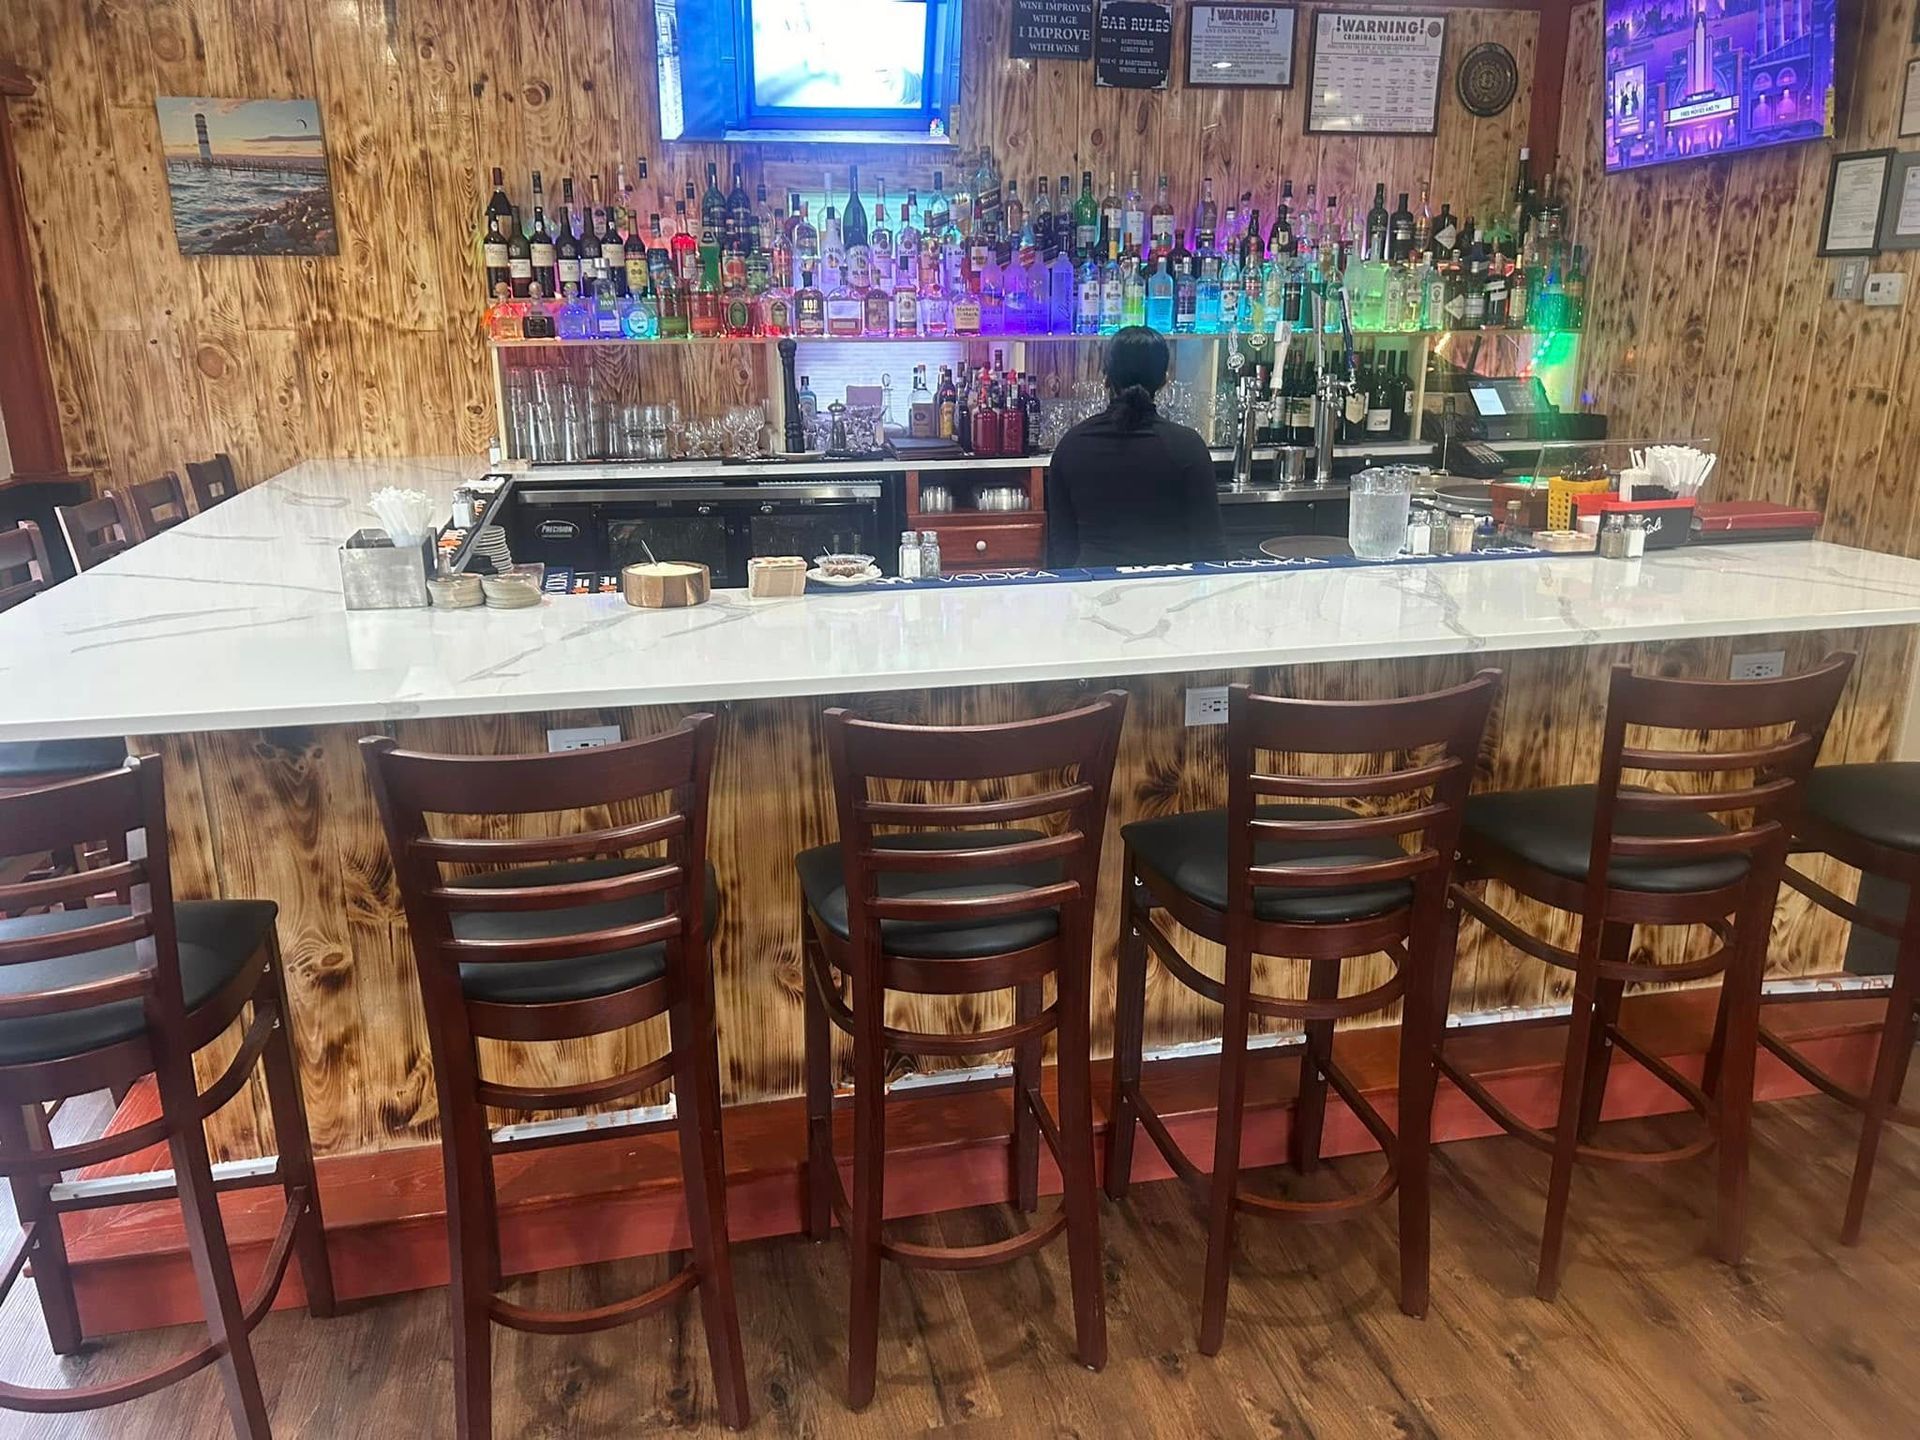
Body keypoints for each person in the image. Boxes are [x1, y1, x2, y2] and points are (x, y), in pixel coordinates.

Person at [1046, 326, 1224, 567]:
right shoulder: (1188, 447)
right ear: (1163, 380)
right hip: (1170, 591)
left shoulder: (1071, 446)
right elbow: (1210, 547)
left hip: (1092, 590)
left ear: (1105, 376)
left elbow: (1061, 549)